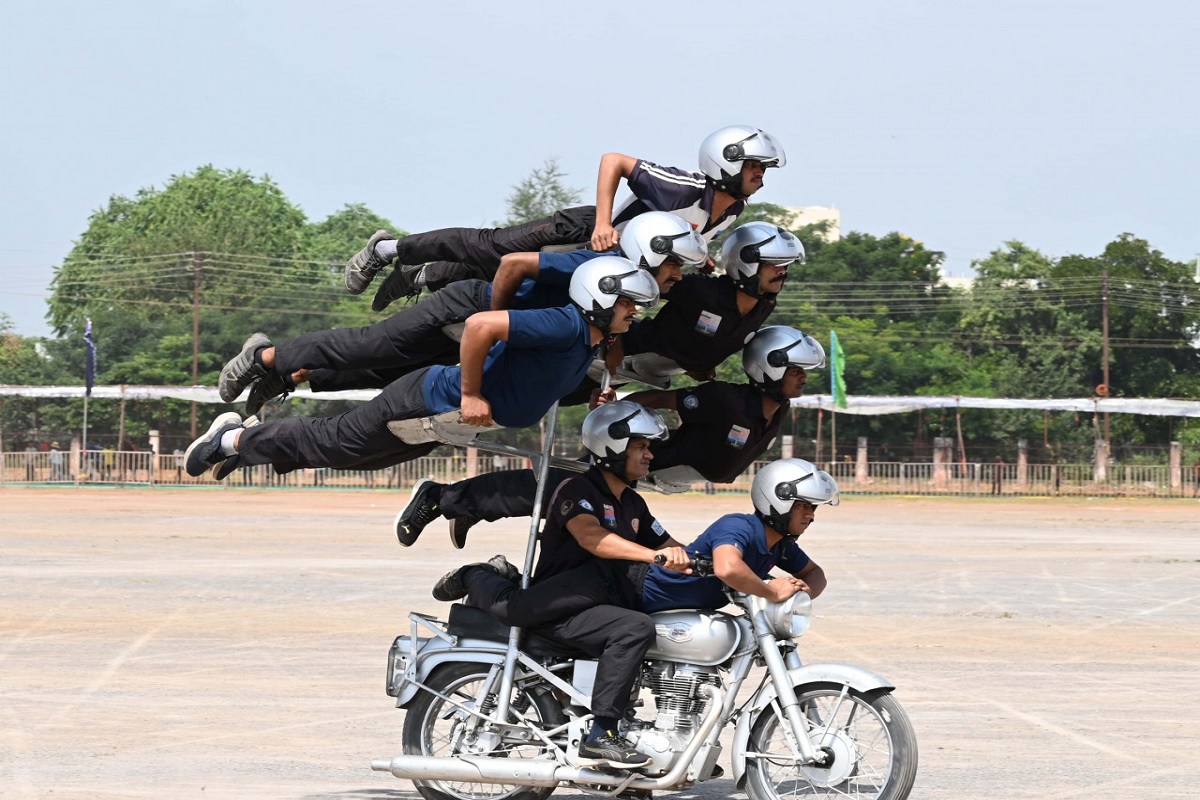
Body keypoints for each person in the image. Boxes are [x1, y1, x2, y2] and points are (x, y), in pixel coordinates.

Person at [184, 257, 660, 480]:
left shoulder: (587, 343)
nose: (634, 313)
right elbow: (479, 327)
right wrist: (472, 392)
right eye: (628, 304)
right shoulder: (562, 324)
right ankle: (230, 439)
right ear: (599, 299)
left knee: (354, 457)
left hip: (448, 423)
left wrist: (594, 394)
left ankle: (247, 448)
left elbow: (540, 380)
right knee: (334, 441)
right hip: (429, 400)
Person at [218, 212, 706, 413]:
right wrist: (497, 313)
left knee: (391, 369)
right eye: (674, 266)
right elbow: (513, 263)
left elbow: (609, 336)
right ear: (648, 252)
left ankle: (292, 373)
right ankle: (263, 358)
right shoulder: (598, 264)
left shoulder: (623, 290)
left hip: (486, 324)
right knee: (376, 345)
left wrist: (607, 383)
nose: (678, 277)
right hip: (469, 305)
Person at [430, 401, 692, 769]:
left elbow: (668, 544)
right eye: (640, 446)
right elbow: (592, 538)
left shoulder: (633, 502)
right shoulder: (576, 489)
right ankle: (476, 575)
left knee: (651, 626)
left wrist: (699, 562)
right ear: (612, 446)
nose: (650, 454)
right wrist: (653, 557)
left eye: (649, 446)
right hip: (561, 598)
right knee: (517, 609)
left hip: (598, 599)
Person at [396, 326, 827, 549]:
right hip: (629, 459)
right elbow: (656, 397)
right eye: (794, 372)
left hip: (650, 477)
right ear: (765, 368)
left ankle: (470, 505)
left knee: (559, 503)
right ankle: (443, 497)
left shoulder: (779, 410)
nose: (802, 380)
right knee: (547, 491)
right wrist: (616, 414)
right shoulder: (724, 401)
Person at [350, 126, 785, 311]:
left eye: (763, 169)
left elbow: (683, 236)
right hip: (584, 231)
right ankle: (385, 249)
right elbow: (613, 160)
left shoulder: (733, 211)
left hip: (601, 263)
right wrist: (601, 223)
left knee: (507, 277)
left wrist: (700, 257)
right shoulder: (683, 188)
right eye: (754, 166)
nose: (759, 175)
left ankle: (419, 277)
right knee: (489, 247)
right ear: (726, 163)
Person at [640, 458, 835, 613]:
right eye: (802, 505)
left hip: (684, 612)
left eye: (812, 507)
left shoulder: (781, 545)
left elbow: (815, 574)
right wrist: (773, 592)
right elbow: (728, 569)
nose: (810, 514)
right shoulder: (738, 526)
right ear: (776, 500)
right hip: (638, 599)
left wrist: (800, 593)